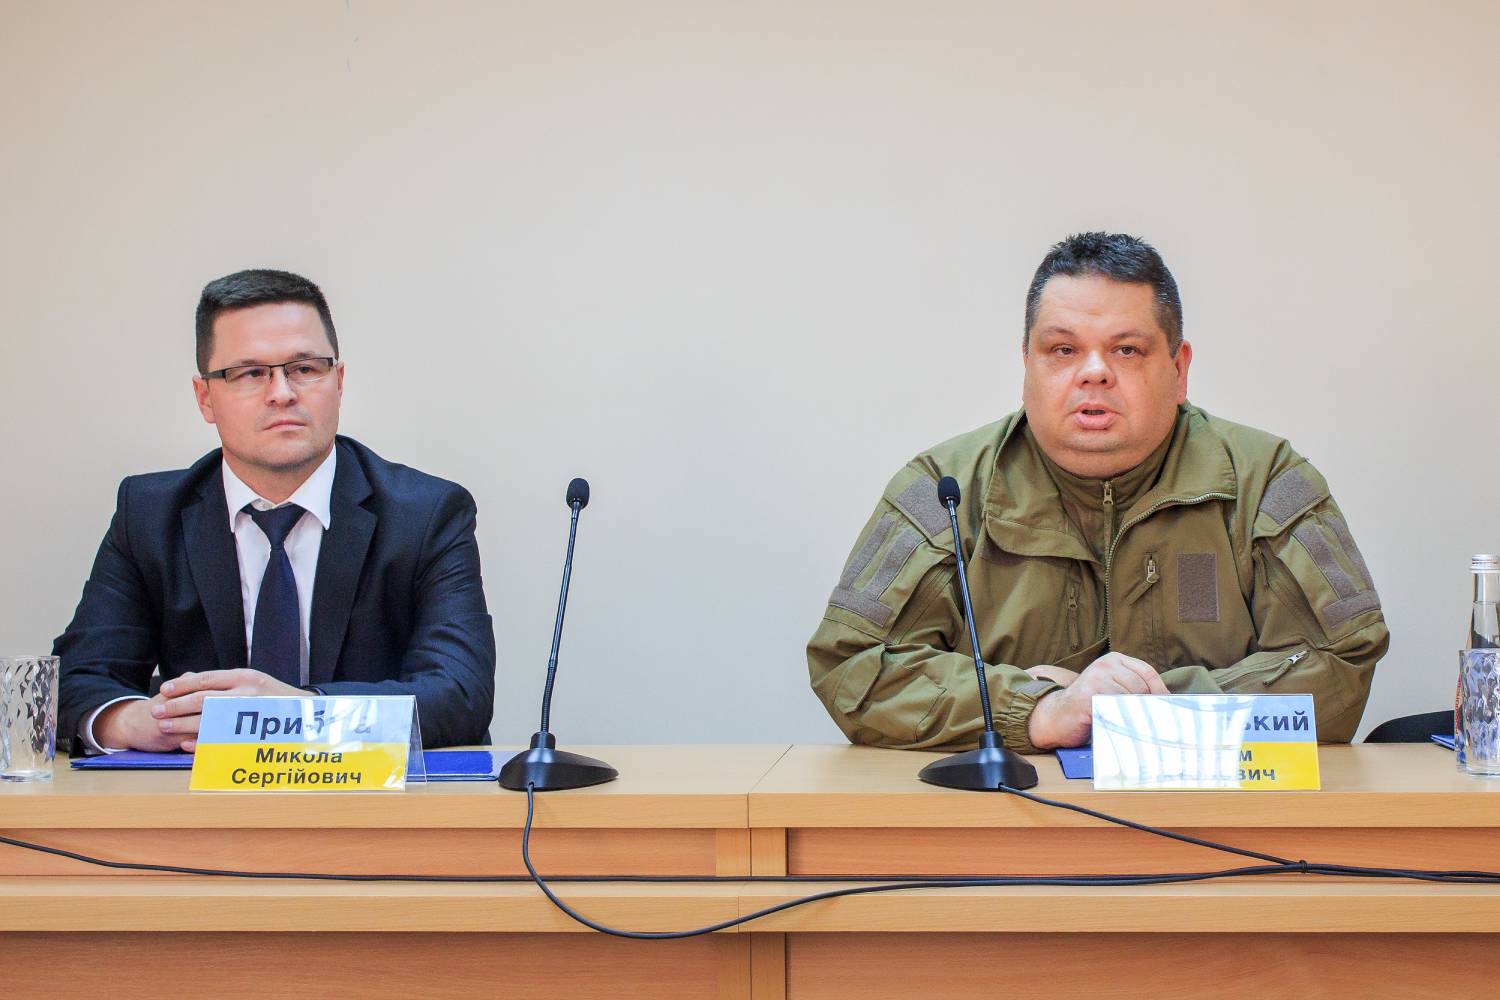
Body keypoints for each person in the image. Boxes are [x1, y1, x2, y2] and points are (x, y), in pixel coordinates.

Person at [807, 232, 1387, 752]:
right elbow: (852, 665)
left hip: (1213, 820)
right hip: (1009, 820)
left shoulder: (1267, 482)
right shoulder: (944, 490)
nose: (1093, 372)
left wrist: (1135, 712)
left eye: (1126, 350)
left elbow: (1340, 662)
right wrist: (1039, 710)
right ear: (1027, 364)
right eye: (1063, 350)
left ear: (1180, 369)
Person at [55, 269, 495, 753]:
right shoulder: (149, 515)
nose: (282, 392)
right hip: (199, 795)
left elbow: (459, 695)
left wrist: (299, 715)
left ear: (339, 381)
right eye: (250, 373)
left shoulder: (426, 514)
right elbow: (76, 680)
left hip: (369, 795)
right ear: (205, 398)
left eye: (304, 369)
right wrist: (140, 722)